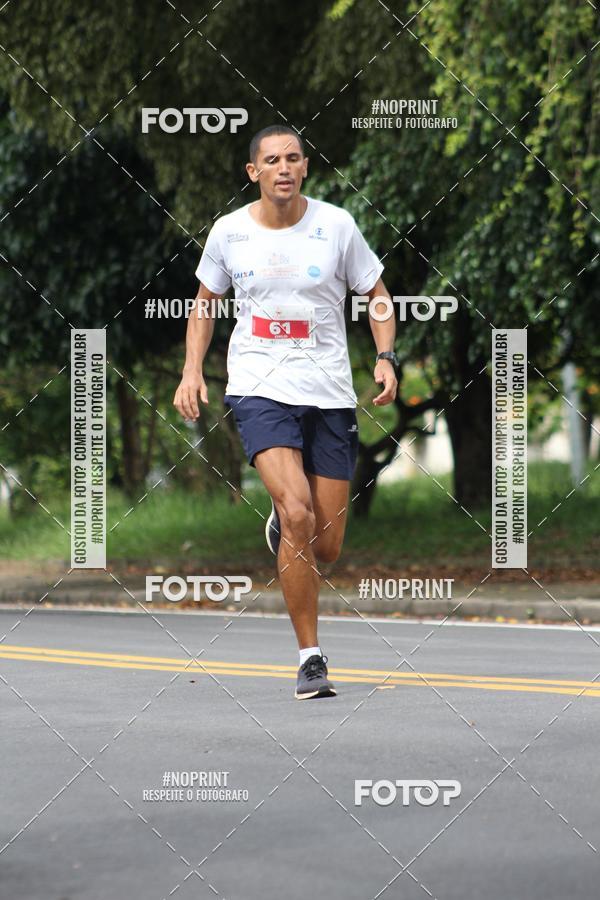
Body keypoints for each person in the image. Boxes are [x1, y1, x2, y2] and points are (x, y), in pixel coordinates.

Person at [173, 124, 398, 699]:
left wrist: (386, 357)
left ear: (304, 168)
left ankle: (284, 527)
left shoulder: (336, 227)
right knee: (297, 513)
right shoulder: (229, 234)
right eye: (271, 159)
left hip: (327, 393)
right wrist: (192, 370)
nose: (282, 167)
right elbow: (204, 306)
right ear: (254, 172)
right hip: (258, 387)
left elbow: (376, 295)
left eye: (292, 158)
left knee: (325, 545)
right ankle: (311, 657)